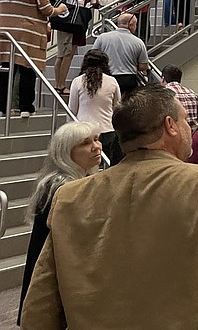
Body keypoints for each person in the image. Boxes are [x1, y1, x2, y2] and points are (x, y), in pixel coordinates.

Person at [19, 84, 198, 329]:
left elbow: (40, 304)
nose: (191, 128)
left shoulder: (69, 197)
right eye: (186, 120)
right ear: (170, 126)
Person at [17, 122, 102, 325]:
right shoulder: (60, 188)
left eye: (97, 139)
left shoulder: (82, 181)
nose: (96, 146)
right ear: (66, 153)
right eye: (85, 143)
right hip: (56, 275)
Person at [0, 0, 66, 118]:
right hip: (27, 37)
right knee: (28, 71)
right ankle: (25, 108)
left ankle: (2, 107)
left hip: (5, 36)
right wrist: (61, 8)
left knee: (5, 72)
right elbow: (48, 11)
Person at [68, 49, 123, 165]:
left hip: (84, 130)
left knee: (85, 164)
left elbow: (72, 109)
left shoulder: (77, 81)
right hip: (107, 129)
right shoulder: (112, 81)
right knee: (106, 164)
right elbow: (117, 107)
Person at [52, 0, 88, 95]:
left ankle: (57, 83)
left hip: (62, 23)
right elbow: (80, 5)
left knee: (60, 55)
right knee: (68, 55)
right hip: (72, 25)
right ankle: (61, 85)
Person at [93, 12, 149, 95]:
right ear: (131, 25)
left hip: (106, 78)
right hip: (128, 80)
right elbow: (143, 66)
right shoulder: (138, 42)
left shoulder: (102, 38)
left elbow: (92, 56)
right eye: (135, 25)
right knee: (126, 105)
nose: (135, 27)